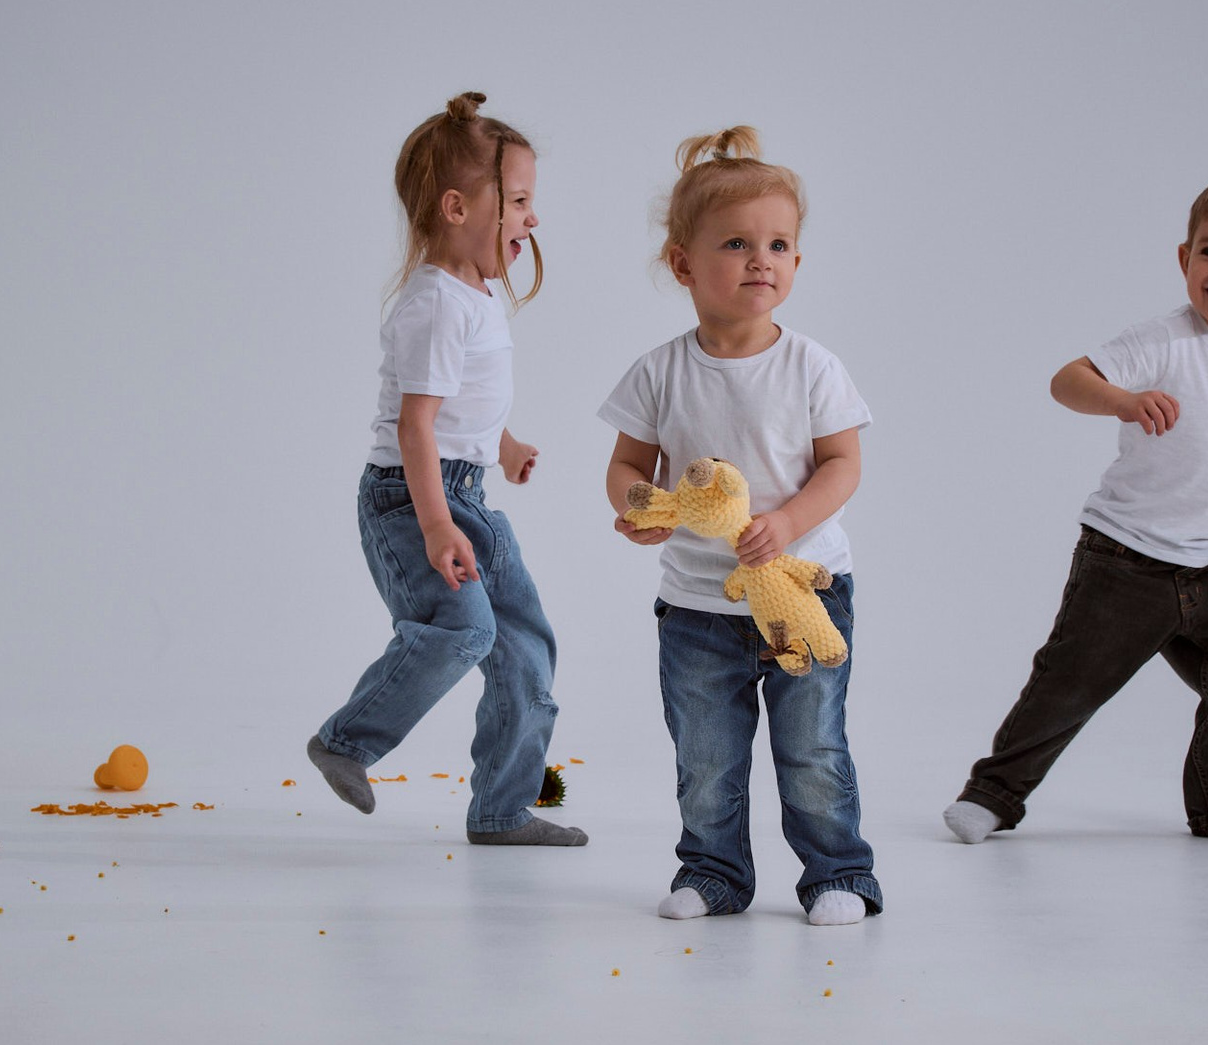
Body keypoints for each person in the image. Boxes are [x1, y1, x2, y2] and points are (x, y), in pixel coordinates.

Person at [943, 172, 1208, 845]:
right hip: (1126, 557)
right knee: (1071, 681)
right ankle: (992, 795)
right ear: (1184, 257)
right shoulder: (1164, 341)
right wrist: (1123, 400)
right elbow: (1067, 381)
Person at [601, 127, 880, 924]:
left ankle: (838, 874)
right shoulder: (660, 371)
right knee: (706, 758)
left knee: (813, 750)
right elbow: (628, 467)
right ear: (682, 264)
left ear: (796, 260)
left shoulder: (812, 366)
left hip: (803, 593)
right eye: (737, 243)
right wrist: (640, 509)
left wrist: (787, 522)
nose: (763, 260)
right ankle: (714, 874)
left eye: (779, 244)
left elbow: (843, 465)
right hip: (697, 606)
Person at [307, 92, 585, 847]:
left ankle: (502, 809)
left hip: (464, 490)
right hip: (410, 499)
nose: (533, 218)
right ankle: (346, 741)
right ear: (458, 208)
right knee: (462, 629)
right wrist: (435, 524)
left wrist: (505, 443)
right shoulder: (435, 303)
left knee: (524, 646)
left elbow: (463, 404)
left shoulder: (476, 293)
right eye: (518, 201)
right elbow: (416, 425)